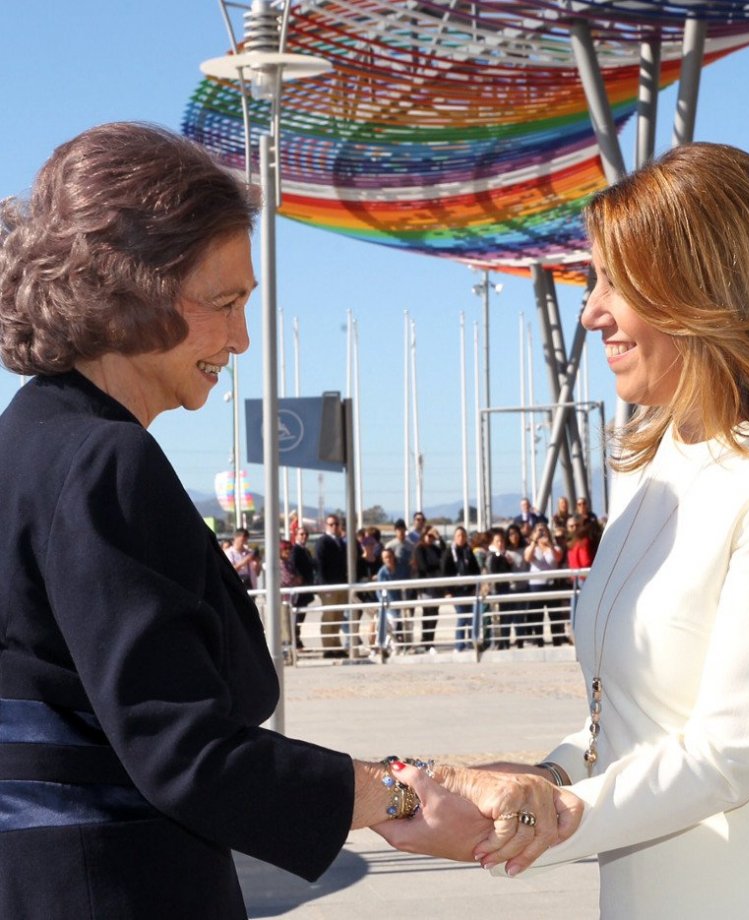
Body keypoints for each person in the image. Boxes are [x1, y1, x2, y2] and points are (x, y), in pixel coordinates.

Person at [0, 122, 578, 918]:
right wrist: (402, 799)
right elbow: (185, 752)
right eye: (224, 303)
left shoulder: (28, 446)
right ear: (128, 293)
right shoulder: (106, 463)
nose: (240, 339)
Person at [384, 142, 749, 919]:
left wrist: (550, 815)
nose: (591, 310)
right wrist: (533, 781)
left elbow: (731, 746)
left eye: (613, 282)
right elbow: (625, 719)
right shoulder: (649, 465)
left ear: (704, 291)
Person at [440, 525, 481, 652]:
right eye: (458, 536)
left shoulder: (469, 551)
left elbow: (476, 570)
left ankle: (470, 643)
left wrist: (476, 587)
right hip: (456, 590)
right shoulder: (449, 552)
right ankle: (459, 645)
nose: (461, 538)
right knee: (462, 617)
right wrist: (448, 591)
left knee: (470, 617)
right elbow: (444, 571)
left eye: (463, 536)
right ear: (454, 537)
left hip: (469, 590)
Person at [314, 513, 349, 658]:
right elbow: (319, 565)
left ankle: (336, 645)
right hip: (328, 586)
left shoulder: (340, 541)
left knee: (338, 617)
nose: (334, 527)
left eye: (336, 524)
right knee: (329, 617)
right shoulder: (322, 541)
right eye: (331, 524)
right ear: (326, 526)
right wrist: (324, 586)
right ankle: (328, 647)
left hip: (341, 584)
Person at [412, 524, 445, 653]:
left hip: (436, 586)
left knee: (435, 613)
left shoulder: (435, 549)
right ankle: (426, 640)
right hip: (425, 586)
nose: (430, 538)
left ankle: (430, 640)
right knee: (427, 613)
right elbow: (423, 566)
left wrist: (439, 537)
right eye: (429, 536)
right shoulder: (419, 549)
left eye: (432, 536)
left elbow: (444, 554)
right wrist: (437, 566)